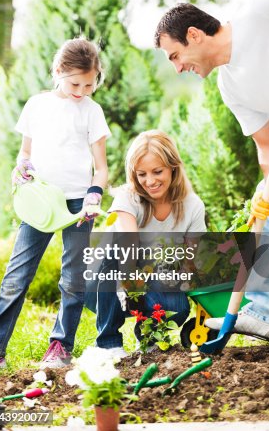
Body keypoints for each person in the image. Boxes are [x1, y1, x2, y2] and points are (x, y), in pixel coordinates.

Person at [154, 0, 269, 342]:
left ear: (194, 35)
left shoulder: (260, 11)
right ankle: (267, 313)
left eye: (175, 56)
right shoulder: (231, 88)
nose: (178, 67)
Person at [0, 37, 111, 369]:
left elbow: (102, 168)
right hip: (41, 202)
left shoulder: (92, 112)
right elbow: (25, 153)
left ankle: (60, 347)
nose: (82, 90)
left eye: (90, 83)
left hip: (79, 207)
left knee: (72, 279)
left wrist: (94, 195)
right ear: (58, 71)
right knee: (17, 275)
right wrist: (21, 167)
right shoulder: (37, 105)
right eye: (75, 83)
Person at [85, 130, 206, 357]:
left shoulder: (193, 206)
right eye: (142, 174)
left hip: (152, 279)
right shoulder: (128, 197)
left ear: (173, 167)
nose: (150, 181)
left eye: (157, 171)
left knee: (179, 308)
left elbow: (191, 261)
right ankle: (108, 343)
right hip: (107, 284)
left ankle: (150, 338)